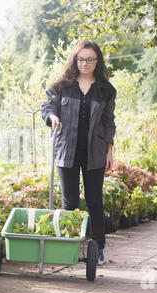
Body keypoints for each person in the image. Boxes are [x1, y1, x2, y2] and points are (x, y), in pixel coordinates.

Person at [41, 40, 117, 265]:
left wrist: (110, 151)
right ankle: (68, 248)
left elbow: (109, 122)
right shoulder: (62, 86)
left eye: (90, 59)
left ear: (97, 61)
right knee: (69, 202)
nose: (85, 63)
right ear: (75, 60)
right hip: (66, 150)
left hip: (95, 152)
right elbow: (48, 107)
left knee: (95, 201)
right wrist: (53, 117)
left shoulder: (105, 90)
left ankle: (98, 249)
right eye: (81, 59)